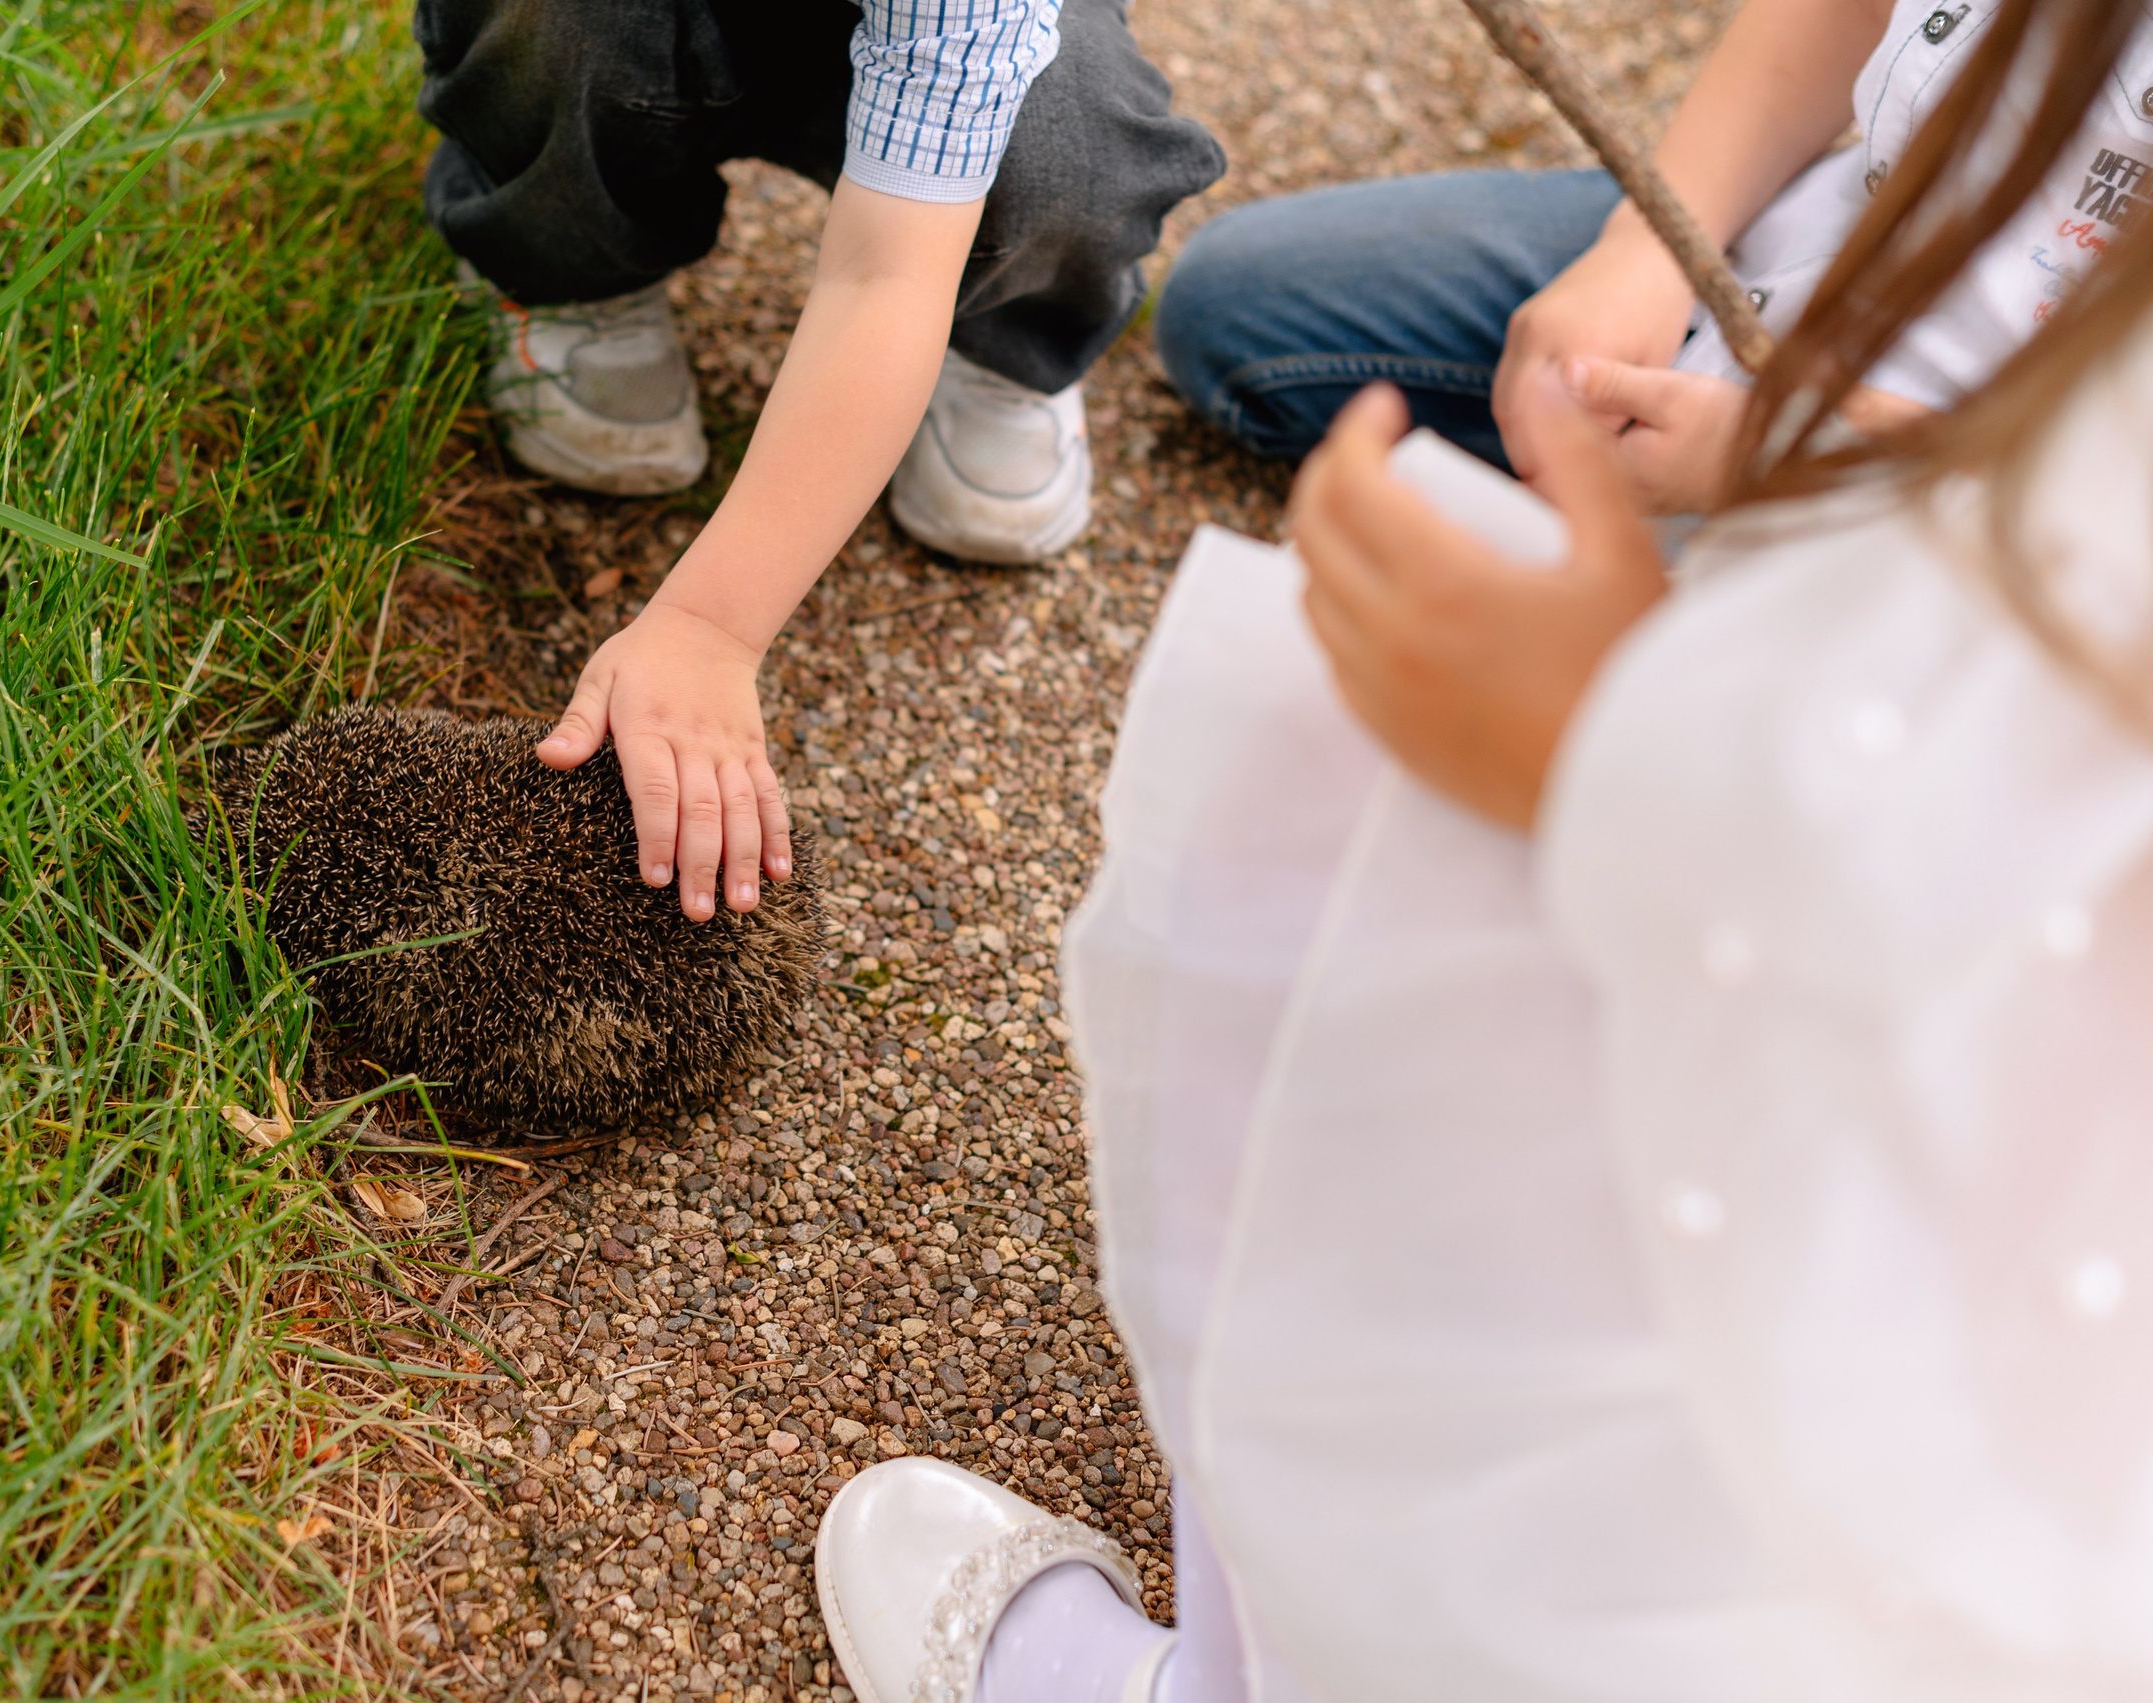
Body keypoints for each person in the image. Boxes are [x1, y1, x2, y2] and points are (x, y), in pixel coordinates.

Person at [811, 1, 2153, 1701]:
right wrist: (1632, 253)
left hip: (1938, 545)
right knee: (1248, 322)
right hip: (1849, 273)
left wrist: (1614, 728)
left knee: (1381, 905)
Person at [411, 0, 1222, 921]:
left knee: (1069, 142)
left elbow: (885, 275)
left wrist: (710, 628)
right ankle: (569, 252)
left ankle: (1006, 329)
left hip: (943, 54)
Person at [1154, 0, 2153, 515]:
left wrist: (1797, 451)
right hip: (1828, 249)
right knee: (1243, 311)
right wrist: (1649, 247)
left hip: (2002, 491)